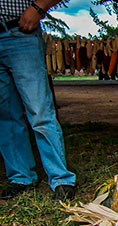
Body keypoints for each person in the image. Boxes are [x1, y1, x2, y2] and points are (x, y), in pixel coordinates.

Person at [0, 0, 76, 200]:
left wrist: (38, 7)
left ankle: (61, 179)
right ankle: (20, 176)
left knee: (40, 111)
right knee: (5, 114)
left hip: (20, 31)